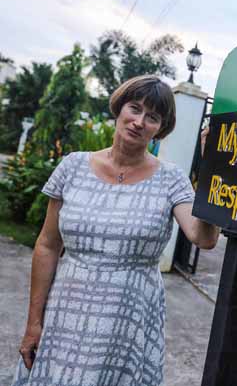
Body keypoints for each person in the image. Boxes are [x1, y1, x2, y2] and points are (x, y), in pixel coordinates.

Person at [12, 75, 219, 386]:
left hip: (130, 317)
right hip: (66, 311)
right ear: (120, 108)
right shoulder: (72, 167)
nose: (139, 122)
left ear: (160, 129)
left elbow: (203, 237)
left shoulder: (171, 179)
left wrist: (213, 167)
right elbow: (47, 245)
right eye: (134, 109)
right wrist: (33, 323)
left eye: (152, 117)